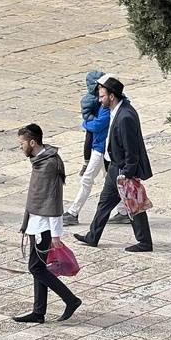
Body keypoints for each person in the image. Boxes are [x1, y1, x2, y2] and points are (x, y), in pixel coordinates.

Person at [73, 75, 154, 253]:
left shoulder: (125, 116)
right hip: (114, 166)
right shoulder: (116, 110)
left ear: (112, 96)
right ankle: (93, 236)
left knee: (134, 204)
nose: (99, 99)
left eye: (102, 96)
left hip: (123, 169)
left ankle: (145, 242)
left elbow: (131, 148)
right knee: (104, 202)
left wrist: (127, 172)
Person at [15, 123, 81, 323]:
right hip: (36, 224)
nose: (20, 147)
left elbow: (53, 200)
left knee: (36, 268)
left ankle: (70, 299)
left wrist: (55, 235)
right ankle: (38, 312)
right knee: (39, 269)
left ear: (32, 142)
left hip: (44, 228)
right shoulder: (39, 160)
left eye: (22, 143)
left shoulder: (48, 165)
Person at [64, 70, 129, 226]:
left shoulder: (108, 107)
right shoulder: (103, 104)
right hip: (101, 147)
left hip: (101, 148)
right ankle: (124, 211)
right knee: (111, 180)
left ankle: (73, 212)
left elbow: (99, 124)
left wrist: (85, 123)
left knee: (87, 179)